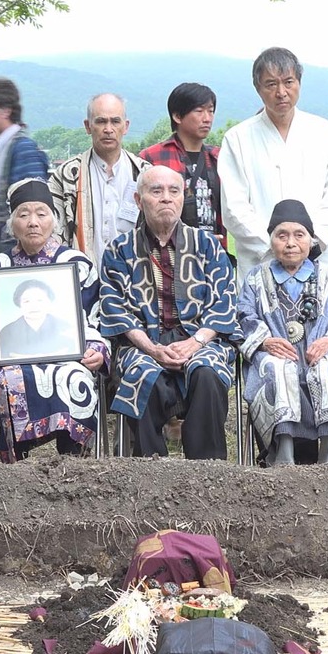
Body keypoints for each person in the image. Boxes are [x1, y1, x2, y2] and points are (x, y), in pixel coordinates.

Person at [99, 165, 236, 459]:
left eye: (173, 191)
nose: (165, 198)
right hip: (142, 342)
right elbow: (115, 308)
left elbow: (224, 302)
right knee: (141, 373)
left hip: (200, 339)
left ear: (182, 198)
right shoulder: (119, 250)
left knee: (207, 373)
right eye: (156, 191)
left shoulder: (208, 245)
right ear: (139, 200)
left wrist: (194, 343)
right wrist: (153, 349)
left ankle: (209, 472)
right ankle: (151, 475)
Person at [0, 178, 109, 461]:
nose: (33, 222)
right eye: (23, 214)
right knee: (5, 381)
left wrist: (97, 350)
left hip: (68, 359)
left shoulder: (77, 264)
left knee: (74, 376)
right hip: (10, 361)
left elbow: (94, 319)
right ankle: (13, 470)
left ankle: (75, 466)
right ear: (12, 224)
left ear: (54, 220)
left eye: (41, 213)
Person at [235, 200, 328, 466]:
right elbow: (244, 315)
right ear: (271, 241)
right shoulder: (257, 278)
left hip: (322, 352)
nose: (290, 243)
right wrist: (265, 341)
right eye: (282, 236)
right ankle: (283, 449)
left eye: (299, 235)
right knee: (276, 368)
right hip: (276, 352)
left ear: (311, 241)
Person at [219, 47, 328, 275]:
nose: (281, 92)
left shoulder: (325, 133)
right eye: (271, 84)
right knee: (259, 309)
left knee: (321, 308)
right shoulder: (237, 138)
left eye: (288, 82)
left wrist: (309, 243)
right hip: (260, 260)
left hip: (317, 256)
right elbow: (234, 206)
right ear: (258, 89)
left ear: (299, 83)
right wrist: (273, 247)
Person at [50, 93, 149, 259]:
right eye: (101, 121)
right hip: (83, 276)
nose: (108, 129)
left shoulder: (144, 174)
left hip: (135, 277)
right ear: (88, 126)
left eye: (115, 121)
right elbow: (54, 234)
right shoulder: (67, 175)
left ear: (126, 126)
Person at [139, 83, 226, 249]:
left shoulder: (219, 158)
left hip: (214, 252)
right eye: (199, 111)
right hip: (167, 252)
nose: (207, 118)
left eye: (211, 110)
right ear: (177, 116)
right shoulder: (152, 157)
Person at [0, 78, 49, 255]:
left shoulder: (22, 149)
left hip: (13, 248)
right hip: (0, 241)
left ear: (6, 111)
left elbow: (33, 207)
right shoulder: (2, 148)